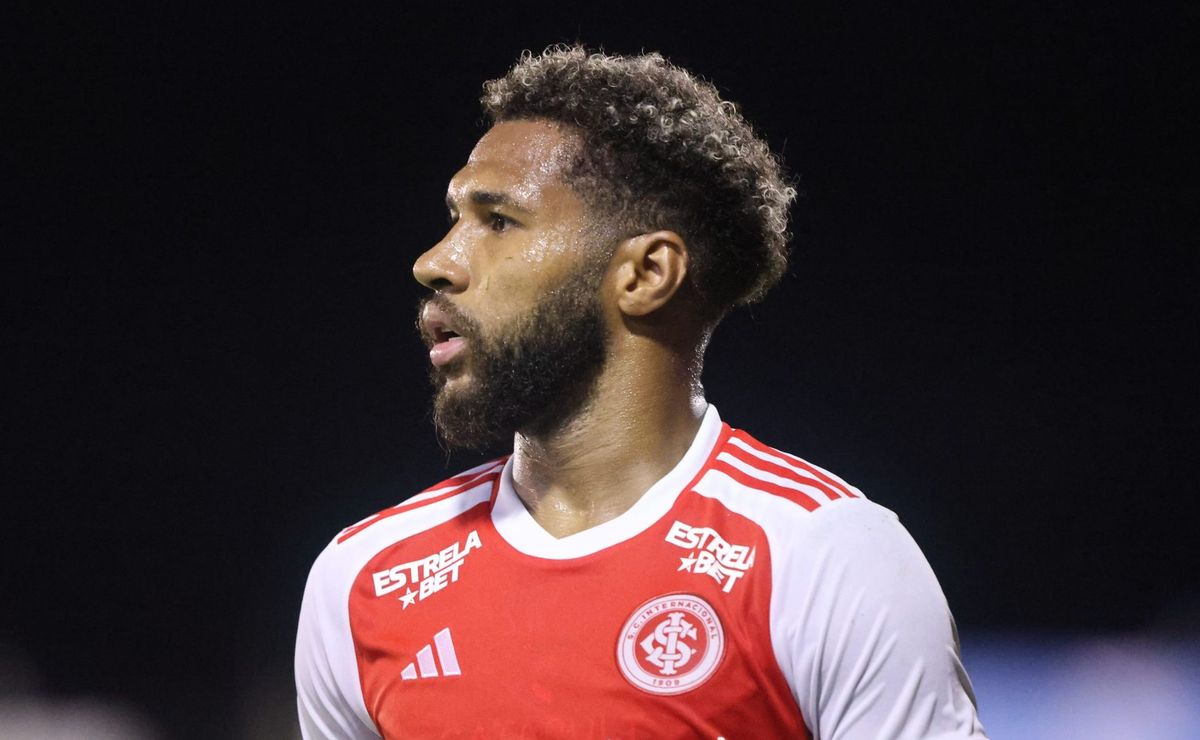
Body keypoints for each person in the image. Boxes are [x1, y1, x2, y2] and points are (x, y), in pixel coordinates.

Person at [295, 45, 986, 739]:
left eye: (498, 221)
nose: (434, 262)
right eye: (453, 219)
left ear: (647, 274)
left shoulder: (824, 558)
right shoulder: (362, 582)